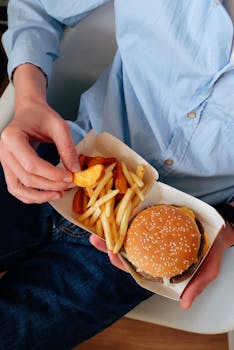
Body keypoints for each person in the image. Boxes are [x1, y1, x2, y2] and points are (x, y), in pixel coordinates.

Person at [0, 0, 234, 348]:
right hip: (62, 155)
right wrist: (30, 100)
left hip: (142, 253)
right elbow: (36, 5)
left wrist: (227, 228)